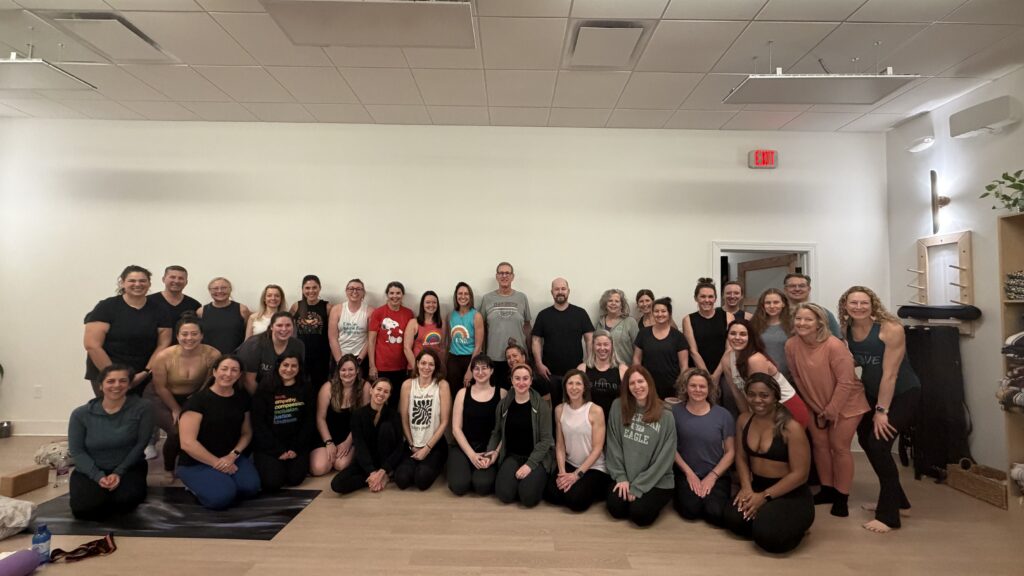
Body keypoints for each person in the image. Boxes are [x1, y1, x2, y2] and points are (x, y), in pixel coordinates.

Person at [840, 286, 921, 533]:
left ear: (872, 304)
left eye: (864, 303)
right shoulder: (848, 330)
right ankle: (900, 501)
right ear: (845, 306)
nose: (859, 307)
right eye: (853, 303)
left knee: (878, 445)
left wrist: (881, 411)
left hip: (902, 394)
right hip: (873, 393)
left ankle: (889, 517)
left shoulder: (890, 329)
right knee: (866, 440)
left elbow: (891, 374)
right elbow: (856, 361)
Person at [785, 303, 870, 517]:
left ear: (819, 323)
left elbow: (846, 380)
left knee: (839, 447)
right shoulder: (791, 345)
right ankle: (827, 490)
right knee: (820, 445)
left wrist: (832, 409)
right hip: (816, 404)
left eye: (808, 319)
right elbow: (797, 377)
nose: (802, 323)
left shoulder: (834, 345)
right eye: (799, 319)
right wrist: (814, 406)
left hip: (847, 404)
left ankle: (841, 497)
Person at [722, 373, 814, 553]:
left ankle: (798, 525)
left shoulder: (791, 428)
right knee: (732, 520)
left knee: (769, 539)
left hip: (789, 493)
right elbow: (741, 457)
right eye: (752, 394)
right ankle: (767, 520)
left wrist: (764, 497)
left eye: (764, 395)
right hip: (757, 486)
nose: (757, 400)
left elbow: (800, 474)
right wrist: (747, 488)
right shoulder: (744, 420)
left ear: (775, 397)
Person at [68, 364, 154, 520]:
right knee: (84, 509)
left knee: (125, 503)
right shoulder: (80, 414)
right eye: (110, 381)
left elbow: (141, 444)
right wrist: (97, 476)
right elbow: (77, 451)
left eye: (122, 381)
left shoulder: (143, 408)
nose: (116, 385)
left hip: (128, 467)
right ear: (101, 386)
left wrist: (118, 472)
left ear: (129, 385)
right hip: (91, 469)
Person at [177, 355, 261, 510]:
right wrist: (217, 463)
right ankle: (194, 487)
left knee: (250, 488)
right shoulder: (197, 401)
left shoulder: (242, 398)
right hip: (197, 462)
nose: (228, 374)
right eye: (224, 369)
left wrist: (232, 455)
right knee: (221, 498)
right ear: (214, 372)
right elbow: (187, 443)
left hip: (230, 457)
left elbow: (246, 433)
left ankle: (219, 481)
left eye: (234, 370)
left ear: (239, 375)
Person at [147, 314, 220, 475]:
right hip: (160, 396)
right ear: (177, 336)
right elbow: (161, 387)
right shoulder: (163, 357)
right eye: (184, 334)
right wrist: (175, 409)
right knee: (177, 431)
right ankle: (168, 469)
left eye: (194, 334)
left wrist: (192, 405)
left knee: (199, 426)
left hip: (192, 396)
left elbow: (207, 383)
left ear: (202, 335)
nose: (189, 338)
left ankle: (194, 462)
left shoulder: (213, 355)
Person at [84, 265, 172, 397]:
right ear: (122, 283)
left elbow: (163, 344)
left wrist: (145, 372)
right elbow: (92, 345)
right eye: (132, 281)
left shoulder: (160, 309)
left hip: (142, 373)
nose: (138, 284)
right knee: (111, 413)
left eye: (142, 281)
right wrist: (115, 377)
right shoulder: (106, 307)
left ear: (149, 284)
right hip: (106, 371)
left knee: (139, 414)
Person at [605, 366, 676, 527]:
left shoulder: (666, 414)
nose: (637, 387)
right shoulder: (618, 407)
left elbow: (665, 458)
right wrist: (621, 477)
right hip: (626, 476)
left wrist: (639, 487)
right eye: (632, 383)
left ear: (649, 383)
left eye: (641, 381)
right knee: (616, 509)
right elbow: (613, 444)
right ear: (627, 387)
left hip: (656, 480)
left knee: (640, 515)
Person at [715, 319, 811, 428]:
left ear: (750, 337)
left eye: (743, 334)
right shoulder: (727, 359)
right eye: (733, 333)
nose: (737, 338)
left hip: (785, 408)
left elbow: (762, 396)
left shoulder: (755, 360)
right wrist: (747, 418)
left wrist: (757, 422)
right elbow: (737, 393)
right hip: (760, 407)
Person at [671, 368, 734, 526]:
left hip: (716, 473)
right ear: (685, 387)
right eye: (693, 386)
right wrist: (689, 473)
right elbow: (671, 448)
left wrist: (713, 476)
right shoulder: (674, 412)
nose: (697, 390)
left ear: (709, 389)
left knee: (715, 513)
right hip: (686, 472)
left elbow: (730, 452)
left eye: (702, 386)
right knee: (690, 510)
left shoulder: (723, 415)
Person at [486, 364, 554, 508]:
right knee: (504, 495)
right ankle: (519, 483)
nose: (521, 383)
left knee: (528, 498)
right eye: (517, 378)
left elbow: (546, 440)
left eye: (525, 379)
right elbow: (496, 432)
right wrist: (491, 451)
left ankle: (533, 482)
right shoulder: (504, 405)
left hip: (536, 457)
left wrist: (529, 465)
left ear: (530, 381)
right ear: (511, 380)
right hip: (513, 455)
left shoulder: (541, 406)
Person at [544, 369, 609, 512]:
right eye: (570, 383)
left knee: (575, 502)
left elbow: (597, 449)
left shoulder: (595, 411)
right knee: (550, 495)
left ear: (584, 387)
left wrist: (576, 475)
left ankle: (595, 489)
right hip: (570, 463)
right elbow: (560, 445)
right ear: (565, 387)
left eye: (578, 384)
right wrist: (562, 473)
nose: (574, 387)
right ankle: (574, 486)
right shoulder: (559, 409)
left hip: (593, 467)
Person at [330, 378, 406, 495]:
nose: (381, 393)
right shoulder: (358, 415)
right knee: (336, 484)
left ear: (389, 395)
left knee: (386, 427)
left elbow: (399, 447)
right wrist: (372, 472)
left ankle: (384, 475)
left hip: (386, 463)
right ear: (371, 390)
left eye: (386, 392)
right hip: (366, 462)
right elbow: (359, 445)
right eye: (379, 389)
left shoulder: (394, 415)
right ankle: (373, 480)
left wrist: (383, 470)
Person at [251, 354, 315, 491]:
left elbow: (308, 421)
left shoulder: (306, 388)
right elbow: (258, 423)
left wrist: (295, 448)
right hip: (270, 445)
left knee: (295, 479)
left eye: (294, 366)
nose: (289, 369)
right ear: (278, 366)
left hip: (296, 445)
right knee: (273, 482)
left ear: (299, 368)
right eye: (285, 365)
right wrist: (278, 450)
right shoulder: (265, 388)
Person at [394, 349, 451, 490]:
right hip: (412, 443)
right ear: (417, 364)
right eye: (423, 363)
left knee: (422, 480)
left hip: (434, 444)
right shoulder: (407, 385)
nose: (426, 367)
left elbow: (444, 422)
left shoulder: (442, 385)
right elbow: (404, 417)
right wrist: (412, 444)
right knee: (402, 480)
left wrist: (427, 448)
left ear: (435, 367)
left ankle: (436, 463)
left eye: (431, 364)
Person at [448, 354, 505, 496]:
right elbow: (456, 429)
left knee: (482, 487)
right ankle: (466, 467)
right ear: (472, 371)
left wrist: (495, 454)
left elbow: (506, 429)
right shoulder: (462, 393)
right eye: (476, 369)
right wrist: (472, 455)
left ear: (491, 371)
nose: (480, 372)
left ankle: (478, 471)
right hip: (463, 447)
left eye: (484, 368)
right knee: (458, 486)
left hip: (489, 449)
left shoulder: (502, 393)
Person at [532, 277, 594, 405]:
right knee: (553, 409)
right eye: (556, 289)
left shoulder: (580, 313)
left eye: (563, 289)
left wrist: (588, 362)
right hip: (549, 373)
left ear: (568, 291)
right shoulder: (543, 315)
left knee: (575, 406)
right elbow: (536, 341)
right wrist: (538, 364)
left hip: (576, 373)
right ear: (552, 292)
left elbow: (589, 339)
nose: (560, 291)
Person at [310, 354, 365, 477]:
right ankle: (327, 456)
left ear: (357, 371)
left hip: (350, 436)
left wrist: (348, 442)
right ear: (338, 371)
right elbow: (320, 418)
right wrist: (329, 442)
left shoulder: (364, 387)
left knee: (341, 465)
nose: (347, 373)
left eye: (351, 369)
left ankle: (349, 454)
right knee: (318, 469)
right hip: (328, 435)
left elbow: (363, 420)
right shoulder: (327, 387)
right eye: (343, 370)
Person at [480, 262, 532, 387]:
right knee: (498, 394)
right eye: (501, 273)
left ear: (512, 276)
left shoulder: (521, 297)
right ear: (496, 276)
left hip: (517, 358)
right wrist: (482, 353)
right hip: (494, 357)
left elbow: (527, 326)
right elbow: (481, 329)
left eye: (507, 273)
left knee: (519, 393)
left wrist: (529, 352)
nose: (504, 276)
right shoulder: (487, 299)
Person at [368, 281, 414, 409]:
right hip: (382, 367)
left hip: (401, 368)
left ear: (402, 295)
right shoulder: (378, 313)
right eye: (392, 293)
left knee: (395, 403)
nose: (395, 296)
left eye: (398, 293)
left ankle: (390, 429)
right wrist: (372, 366)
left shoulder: (409, 314)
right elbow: (371, 341)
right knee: (379, 403)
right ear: (387, 295)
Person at [632, 297, 689, 401]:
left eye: (663, 311)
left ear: (669, 313)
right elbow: (636, 359)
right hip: (647, 385)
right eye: (656, 311)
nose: (660, 314)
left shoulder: (678, 336)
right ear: (652, 313)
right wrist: (639, 378)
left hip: (672, 387)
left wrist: (681, 385)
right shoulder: (643, 333)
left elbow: (684, 365)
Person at [237, 311, 306, 395]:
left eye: (288, 325)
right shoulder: (254, 345)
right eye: (279, 325)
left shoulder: (298, 345)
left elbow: (296, 375)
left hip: (282, 393)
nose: (284, 329)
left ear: (293, 327)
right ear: (271, 327)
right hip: (255, 392)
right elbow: (248, 381)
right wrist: (265, 402)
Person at [289, 275, 333, 394]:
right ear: (303, 289)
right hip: (301, 354)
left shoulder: (327, 307)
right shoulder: (296, 306)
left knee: (320, 387)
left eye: (314, 287)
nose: (311, 291)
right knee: (300, 386)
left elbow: (333, 332)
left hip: (321, 355)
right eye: (307, 288)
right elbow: (288, 328)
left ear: (320, 288)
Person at [682, 278, 733, 374]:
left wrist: (716, 376)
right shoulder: (688, 320)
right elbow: (693, 351)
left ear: (715, 298)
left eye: (710, 296)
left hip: (723, 369)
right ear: (696, 298)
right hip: (698, 371)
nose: (707, 300)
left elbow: (729, 349)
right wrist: (707, 377)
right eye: (703, 296)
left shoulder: (728, 317)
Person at [578, 330, 627, 422]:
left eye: (606, 344)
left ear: (612, 346)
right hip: (588, 421)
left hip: (614, 421)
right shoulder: (582, 369)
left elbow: (629, 400)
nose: (602, 348)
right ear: (592, 346)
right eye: (598, 344)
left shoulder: (623, 370)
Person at [328, 278, 372, 375]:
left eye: (358, 289)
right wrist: (339, 361)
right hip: (339, 355)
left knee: (359, 387)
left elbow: (370, 339)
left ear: (363, 292)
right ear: (346, 291)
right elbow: (333, 338)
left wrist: (359, 360)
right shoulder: (336, 309)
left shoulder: (370, 311)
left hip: (360, 357)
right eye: (351, 288)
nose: (354, 291)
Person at [147, 265, 201, 345]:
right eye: (172, 277)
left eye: (181, 278)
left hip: (184, 353)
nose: (176, 281)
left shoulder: (194, 305)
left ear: (186, 282)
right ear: (163, 279)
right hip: (151, 352)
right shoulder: (148, 301)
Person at [447, 282, 485, 394]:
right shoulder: (450, 315)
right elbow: (450, 342)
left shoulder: (476, 316)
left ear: (470, 296)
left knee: (470, 392)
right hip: (453, 359)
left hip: (471, 358)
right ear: (456, 296)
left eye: (466, 294)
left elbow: (478, 346)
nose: (463, 296)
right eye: (460, 293)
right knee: (454, 392)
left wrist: (470, 369)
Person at [196, 277, 250, 354]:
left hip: (235, 357)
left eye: (224, 288)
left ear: (230, 289)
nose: (219, 291)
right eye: (215, 288)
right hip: (209, 357)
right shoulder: (201, 311)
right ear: (210, 291)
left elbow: (248, 336)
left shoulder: (242, 310)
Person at [750, 288, 793, 380]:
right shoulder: (753, 324)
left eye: (776, 302)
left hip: (789, 378)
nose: (772, 306)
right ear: (763, 305)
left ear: (783, 304)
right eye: (768, 303)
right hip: (762, 376)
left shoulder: (793, 325)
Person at [784, 273, 840, 338]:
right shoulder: (778, 314)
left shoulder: (824, 313)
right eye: (792, 286)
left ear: (809, 289)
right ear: (785, 289)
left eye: (802, 286)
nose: (797, 289)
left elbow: (837, 340)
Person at [594, 289, 639, 369]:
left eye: (617, 301)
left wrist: (634, 369)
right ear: (605, 304)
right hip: (604, 369)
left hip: (624, 369)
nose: (613, 303)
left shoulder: (630, 322)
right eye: (610, 301)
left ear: (622, 305)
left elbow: (638, 349)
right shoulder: (600, 323)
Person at [403, 290, 446, 370]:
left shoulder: (442, 323)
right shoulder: (414, 323)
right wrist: (416, 369)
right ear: (422, 305)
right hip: (417, 368)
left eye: (434, 302)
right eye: (428, 302)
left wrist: (441, 366)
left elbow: (442, 347)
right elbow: (407, 348)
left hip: (434, 368)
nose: (431, 305)